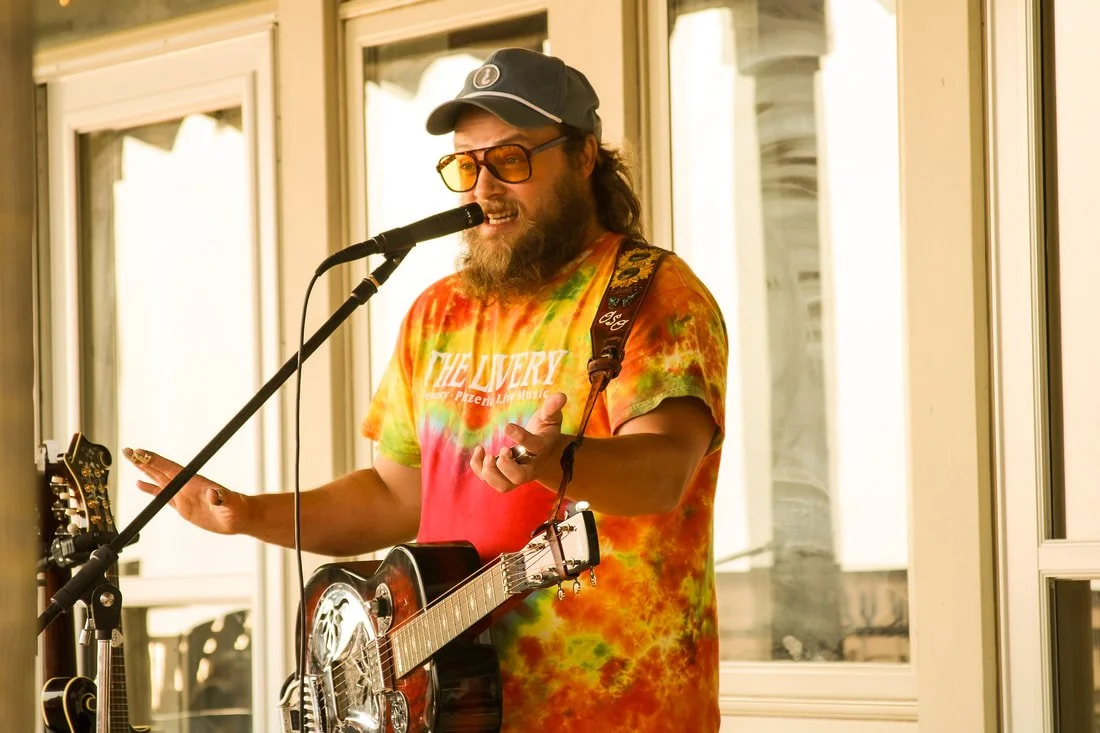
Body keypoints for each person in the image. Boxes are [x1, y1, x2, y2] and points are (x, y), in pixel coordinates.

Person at [125, 47, 728, 731]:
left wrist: (560, 458)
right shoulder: (438, 313)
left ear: (584, 156)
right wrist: (246, 514)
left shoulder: (650, 293)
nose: (484, 188)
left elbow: (664, 472)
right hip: (450, 712)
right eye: (468, 165)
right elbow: (393, 496)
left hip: (615, 711)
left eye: (510, 159)